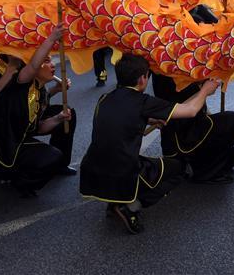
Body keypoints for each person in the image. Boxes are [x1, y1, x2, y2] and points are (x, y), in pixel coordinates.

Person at [79, 54, 220, 234]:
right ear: (142, 78)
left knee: (115, 156)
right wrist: (205, 91)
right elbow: (191, 111)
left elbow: (120, 120)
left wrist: (151, 120)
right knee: (177, 169)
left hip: (92, 169)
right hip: (123, 171)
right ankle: (131, 207)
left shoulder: (105, 98)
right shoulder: (143, 102)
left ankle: (115, 201)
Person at [0, 26, 72, 223]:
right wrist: (51, 37)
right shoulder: (4, 70)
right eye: (46, 61)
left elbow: (38, 127)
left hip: (17, 141)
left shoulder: (34, 85)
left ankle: (21, 181)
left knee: (54, 157)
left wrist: (59, 117)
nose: (51, 65)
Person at [151, 5, 234, 183]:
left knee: (232, 158)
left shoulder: (168, 57)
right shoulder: (174, 65)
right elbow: (188, 109)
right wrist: (205, 90)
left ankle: (197, 162)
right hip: (183, 132)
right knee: (232, 120)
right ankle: (203, 172)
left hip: (184, 127)